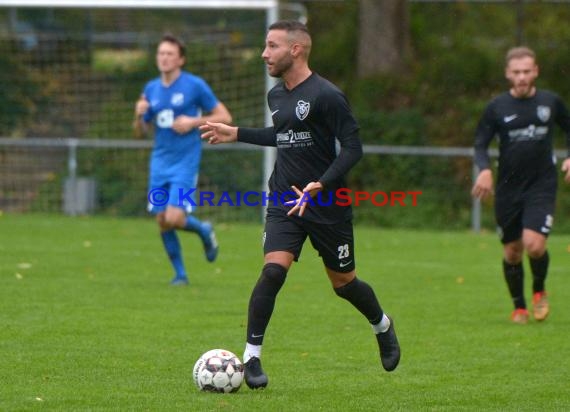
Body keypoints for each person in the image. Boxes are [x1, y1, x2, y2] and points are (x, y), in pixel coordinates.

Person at [200, 20, 400, 389]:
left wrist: (320, 184)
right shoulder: (276, 96)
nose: (264, 53)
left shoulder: (328, 96)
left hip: (327, 203)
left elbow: (353, 148)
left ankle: (382, 325)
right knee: (273, 271)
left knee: (344, 284)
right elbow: (283, 135)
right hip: (284, 198)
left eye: (272, 46)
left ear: (296, 49)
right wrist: (238, 133)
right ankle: (252, 358)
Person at [472, 46, 570, 324]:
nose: (522, 77)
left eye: (527, 71)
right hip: (508, 188)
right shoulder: (496, 107)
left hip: (542, 184)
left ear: (536, 71)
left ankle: (539, 291)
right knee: (513, 251)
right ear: (507, 74)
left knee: (534, 245)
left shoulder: (551, 102)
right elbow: (480, 143)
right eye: (516, 72)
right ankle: (519, 307)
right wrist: (484, 170)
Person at [134, 33, 232, 286]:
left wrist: (193, 122)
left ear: (181, 60)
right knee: (161, 219)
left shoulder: (194, 85)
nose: (164, 58)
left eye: (170, 54)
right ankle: (180, 274)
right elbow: (140, 131)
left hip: (186, 163)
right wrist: (138, 116)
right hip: (159, 163)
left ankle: (204, 230)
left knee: (175, 218)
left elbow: (225, 116)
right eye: (161, 53)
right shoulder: (151, 89)